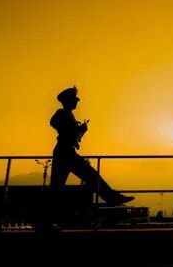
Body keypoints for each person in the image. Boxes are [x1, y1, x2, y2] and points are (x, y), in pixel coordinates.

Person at [48, 87, 134, 222]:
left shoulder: (67, 115)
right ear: (68, 101)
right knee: (88, 175)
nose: (76, 102)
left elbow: (70, 134)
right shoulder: (62, 114)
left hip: (65, 152)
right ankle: (111, 197)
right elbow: (63, 130)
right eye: (74, 100)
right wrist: (79, 129)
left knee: (59, 186)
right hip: (65, 152)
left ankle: (47, 219)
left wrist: (80, 131)